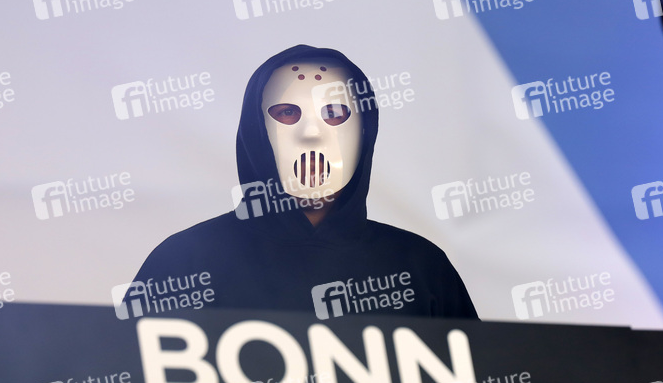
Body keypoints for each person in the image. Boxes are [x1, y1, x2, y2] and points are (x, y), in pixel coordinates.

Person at [129, 44, 477, 320]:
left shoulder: (419, 268)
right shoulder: (184, 263)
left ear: (365, 131)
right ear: (255, 130)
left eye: (334, 113)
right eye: (287, 112)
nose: (311, 133)